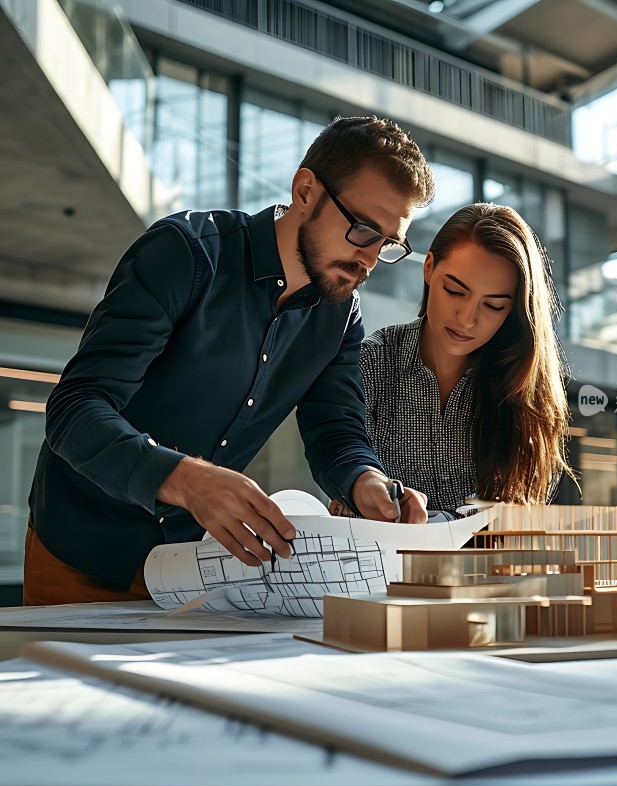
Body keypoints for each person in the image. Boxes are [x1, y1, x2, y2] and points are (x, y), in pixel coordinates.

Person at [24, 115, 434, 606]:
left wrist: (365, 480)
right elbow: (74, 410)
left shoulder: (340, 314)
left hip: (192, 572)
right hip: (79, 549)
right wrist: (188, 481)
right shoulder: (185, 254)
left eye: (389, 243)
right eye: (364, 230)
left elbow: (336, 432)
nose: (370, 259)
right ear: (305, 190)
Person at [353, 202, 573, 513]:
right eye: (456, 291)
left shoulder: (527, 395)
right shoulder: (373, 364)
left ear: (513, 311)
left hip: (485, 560)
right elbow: (347, 482)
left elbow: (526, 509)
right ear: (428, 268)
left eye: (493, 306)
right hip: (384, 559)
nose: (467, 319)